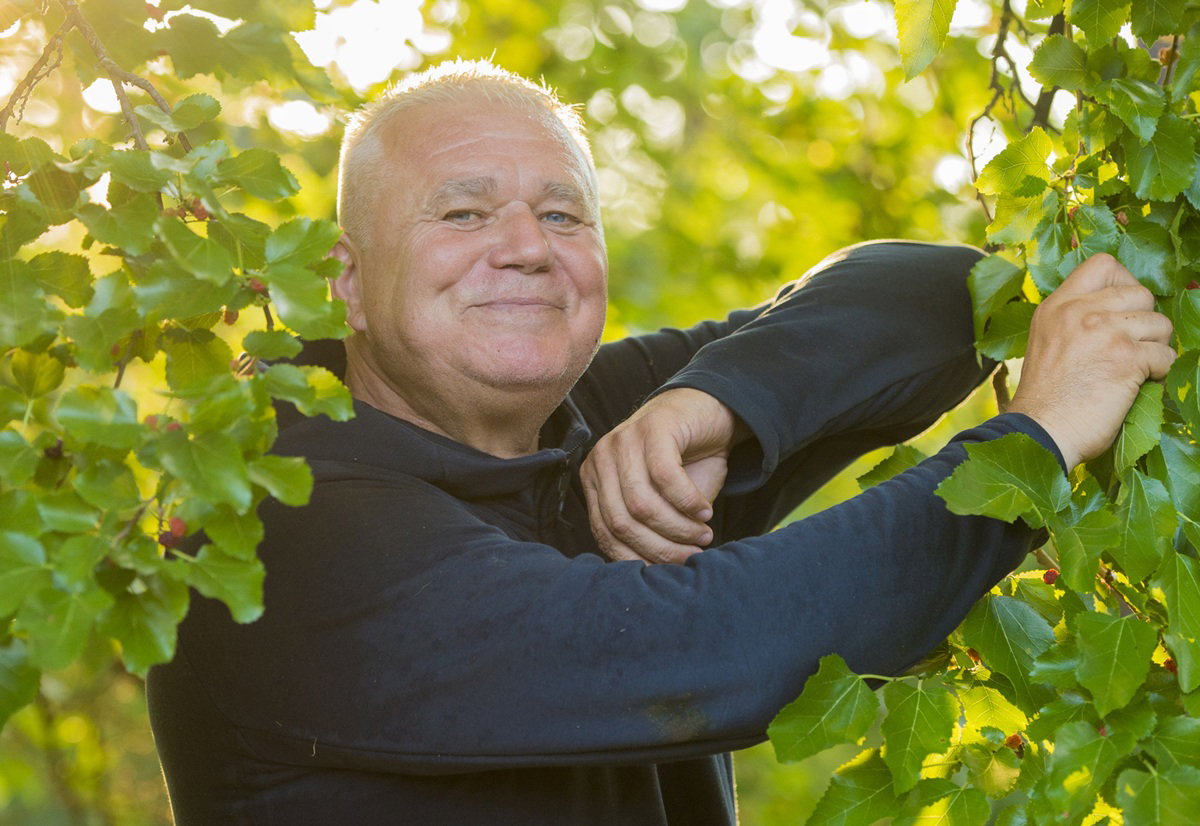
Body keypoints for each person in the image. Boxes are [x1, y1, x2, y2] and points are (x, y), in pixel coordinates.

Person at [146, 60, 1175, 825]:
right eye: (462, 212)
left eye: (563, 214)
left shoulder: (594, 420)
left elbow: (943, 297)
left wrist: (718, 402)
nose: (525, 248)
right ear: (343, 277)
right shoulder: (274, 520)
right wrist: (1030, 446)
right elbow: (703, 647)